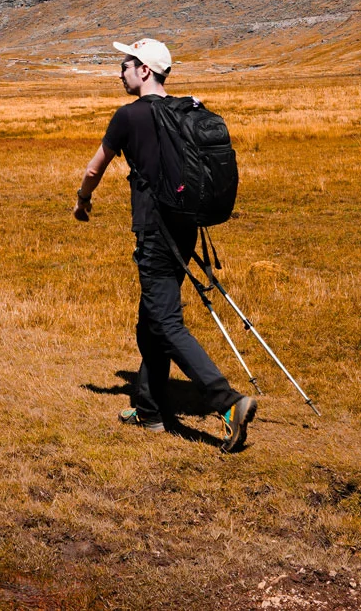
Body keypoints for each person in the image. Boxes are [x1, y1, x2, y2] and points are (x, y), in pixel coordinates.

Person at [73, 37, 258, 452]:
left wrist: (82, 202)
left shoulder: (127, 116)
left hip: (155, 232)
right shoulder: (185, 107)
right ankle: (150, 408)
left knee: (166, 322)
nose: (119, 72)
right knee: (150, 321)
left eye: (125, 64)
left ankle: (227, 403)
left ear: (143, 71)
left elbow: (93, 167)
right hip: (184, 227)